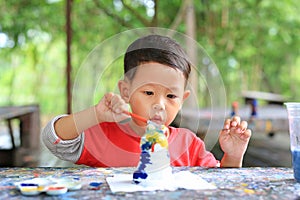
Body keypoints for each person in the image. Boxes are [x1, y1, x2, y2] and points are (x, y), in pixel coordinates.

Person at [42, 34, 251, 168]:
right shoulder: (104, 136)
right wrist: (95, 114)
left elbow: (220, 184)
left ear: (182, 100)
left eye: (171, 96)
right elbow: (53, 139)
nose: (159, 104)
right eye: (149, 93)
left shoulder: (190, 144)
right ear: (126, 91)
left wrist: (232, 157)